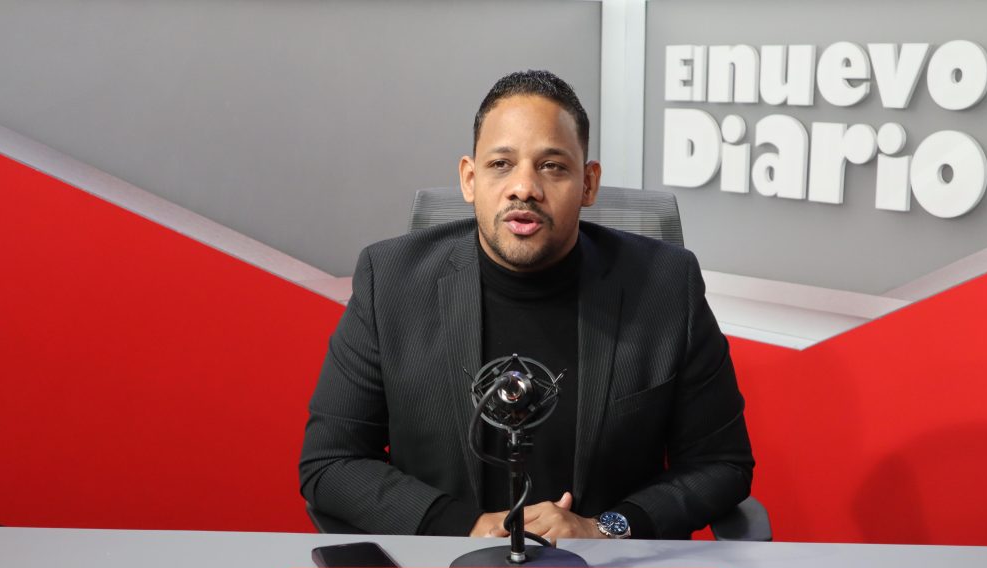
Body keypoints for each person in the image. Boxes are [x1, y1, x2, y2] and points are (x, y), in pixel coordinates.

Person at [300, 70, 753, 541]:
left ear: (588, 184)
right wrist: (463, 526)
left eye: (552, 166)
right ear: (470, 179)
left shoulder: (665, 286)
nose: (524, 187)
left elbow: (720, 463)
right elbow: (331, 460)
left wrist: (605, 529)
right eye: (501, 164)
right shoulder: (390, 282)